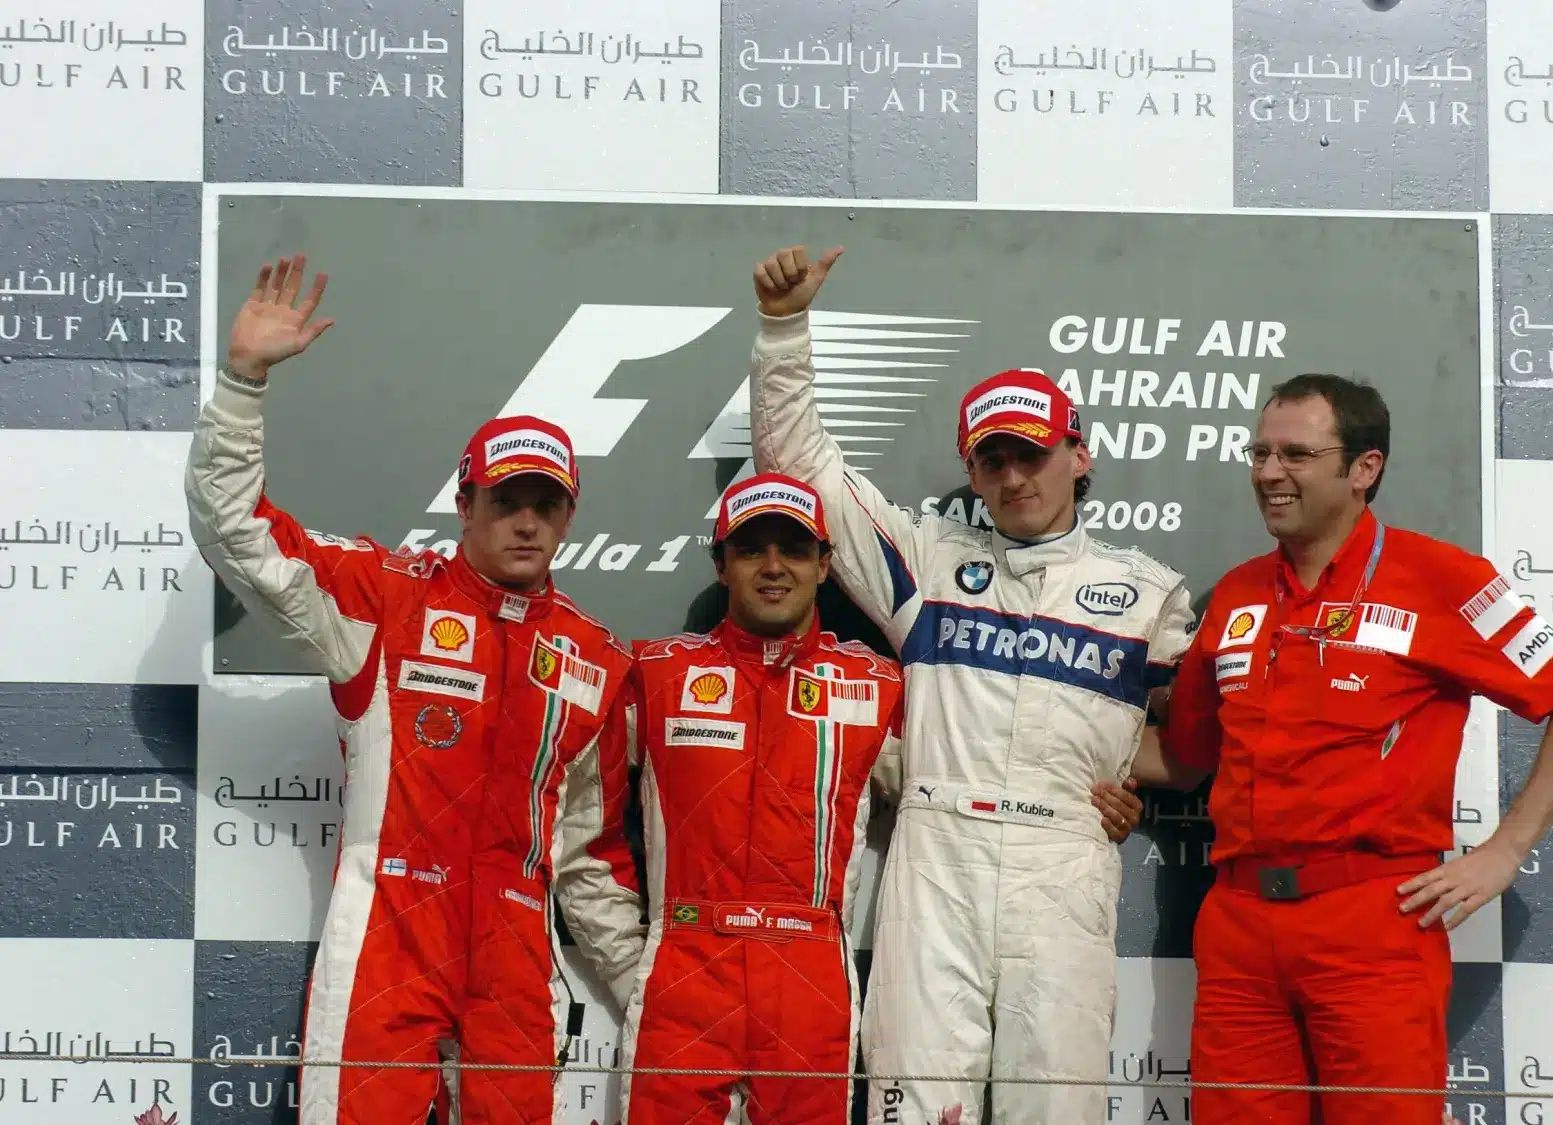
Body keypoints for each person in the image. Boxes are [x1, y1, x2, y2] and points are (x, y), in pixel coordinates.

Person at [185, 255, 646, 1125]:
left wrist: (655, 994)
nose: (526, 521)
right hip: (389, 934)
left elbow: (589, 858)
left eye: (546, 504)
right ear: (465, 505)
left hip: (515, 955)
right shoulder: (387, 599)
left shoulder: (596, 662)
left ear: (569, 516)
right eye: (506, 500)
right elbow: (238, 534)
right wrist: (242, 384)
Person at [744, 244, 1195, 1125]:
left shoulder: (1149, 594)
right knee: (912, 1105)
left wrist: (1116, 773)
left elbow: (1198, 743)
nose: (1014, 476)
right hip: (936, 850)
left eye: (1033, 453)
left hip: (1062, 859)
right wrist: (783, 329)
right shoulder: (928, 561)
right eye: (993, 460)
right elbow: (801, 468)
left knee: (1053, 1111)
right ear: (973, 471)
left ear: (1080, 455)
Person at [1133, 373, 1553, 1125]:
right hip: (1237, 923)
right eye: (1260, 453)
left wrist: (1505, 850)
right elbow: (1185, 757)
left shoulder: (1446, 579)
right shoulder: (1234, 595)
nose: (1269, 472)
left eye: (1296, 454)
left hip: (1374, 919)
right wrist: (1045, 747)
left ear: (1364, 467)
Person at [560, 471, 905, 1124]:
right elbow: (576, 821)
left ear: (824, 565)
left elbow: (958, 794)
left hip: (809, 977)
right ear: (721, 565)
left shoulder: (876, 687)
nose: (774, 566)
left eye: (794, 549)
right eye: (751, 549)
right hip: (685, 963)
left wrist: (1093, 790)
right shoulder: (656, 674)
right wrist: (635, 962)